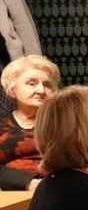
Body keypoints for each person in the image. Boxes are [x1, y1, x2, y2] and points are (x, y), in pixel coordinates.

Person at [0, 54, 59, 190]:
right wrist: (28, 182)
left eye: (47, 85)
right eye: (32, 84)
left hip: (59, 190)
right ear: (13, 90)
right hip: (13, 194)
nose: (41, 90)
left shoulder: (65, 123)